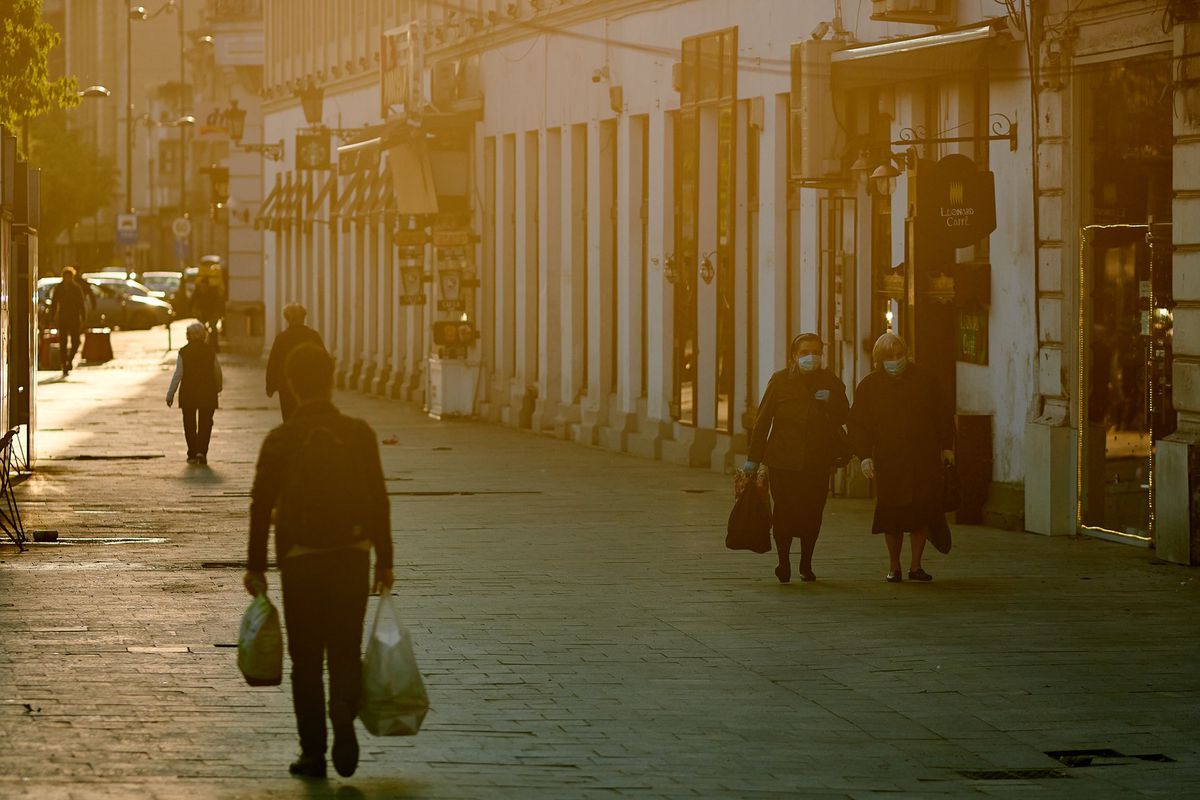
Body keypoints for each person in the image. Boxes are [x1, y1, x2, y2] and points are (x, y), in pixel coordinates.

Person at [244, 344, 393, 780]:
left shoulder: (281, 438)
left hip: (300, 560)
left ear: (291, 383)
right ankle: (344, 712)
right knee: (346, 648)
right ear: (331, 379)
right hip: (352, 556)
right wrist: (384, 560)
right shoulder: (359, 432)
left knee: (306, 658)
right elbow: (378, 499)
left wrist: (256, 566)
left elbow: (260, 503)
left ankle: (313, 753)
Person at [848, 332, 955, 583]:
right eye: (889, 357)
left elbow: (943, 414)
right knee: (892, 515)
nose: (895, 361)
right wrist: (864, 456)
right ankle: (894, 565)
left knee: (921, 512)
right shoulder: (870, 386)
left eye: (899, 355)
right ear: (879, 360)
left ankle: (915, 565)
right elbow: (858, 424)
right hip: (889, 459)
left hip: (923, 457)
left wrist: (946, 446)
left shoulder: (925, 380)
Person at [742, 333, 849, 583]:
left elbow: (845, 414)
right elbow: (763, 420)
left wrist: (831, 400)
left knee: (813, 512)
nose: (810, 357)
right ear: (794, 356)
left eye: (815, 352)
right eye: (804, 353)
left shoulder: (830, 381)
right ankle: (783, 562)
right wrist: (753, 459)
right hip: (783, 460)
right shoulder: (780, 381)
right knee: (785, 512)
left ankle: (806, 563)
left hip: (817, 460)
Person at [165, 322, 223, 464]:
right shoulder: (210, 350)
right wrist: (218, 388)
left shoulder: (184, 352)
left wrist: (170, 394)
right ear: (203, 335)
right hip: (208, 391)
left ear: (188, 335)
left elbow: (178, 374)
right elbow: (217, 372)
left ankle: (191, 453)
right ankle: (202, 452)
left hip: (188, 393)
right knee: (206, 423)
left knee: (189, 423)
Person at [266, 303, 326, 420]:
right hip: (310, 385)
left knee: (289, 417)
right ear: (304, 317)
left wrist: (270, 386)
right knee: (308, 417)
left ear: (287, 319)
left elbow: (273, 363)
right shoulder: (313, 336)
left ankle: (292, 437)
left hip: (287, 387)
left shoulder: (282, 338)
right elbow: (324, 359)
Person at [50, 267, 88, 376]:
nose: (68, 279)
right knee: (63, 342)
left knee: (76, 342)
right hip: (63, 318)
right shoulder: (59, 288)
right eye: (66, 277)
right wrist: (52, 318)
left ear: (72, 277)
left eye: (70, 277)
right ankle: (64, 364)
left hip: (74, 318)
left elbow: (81, 304)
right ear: (63, 277)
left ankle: (69, 360)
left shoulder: (76, 288)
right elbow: (54, 303)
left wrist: (83, 318)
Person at [191, 277, 224, 350]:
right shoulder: (197, 291)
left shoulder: (213, 292)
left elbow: (218, 303)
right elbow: (192, 301)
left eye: (205, 286)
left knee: (213, 328)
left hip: (213, 312)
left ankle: (215, 344)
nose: (203, 288)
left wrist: (218, 313)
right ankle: (203, 344)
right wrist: (192, 311)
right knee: (202, 328)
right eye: (202, 287)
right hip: (202, 313)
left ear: (208, 286)